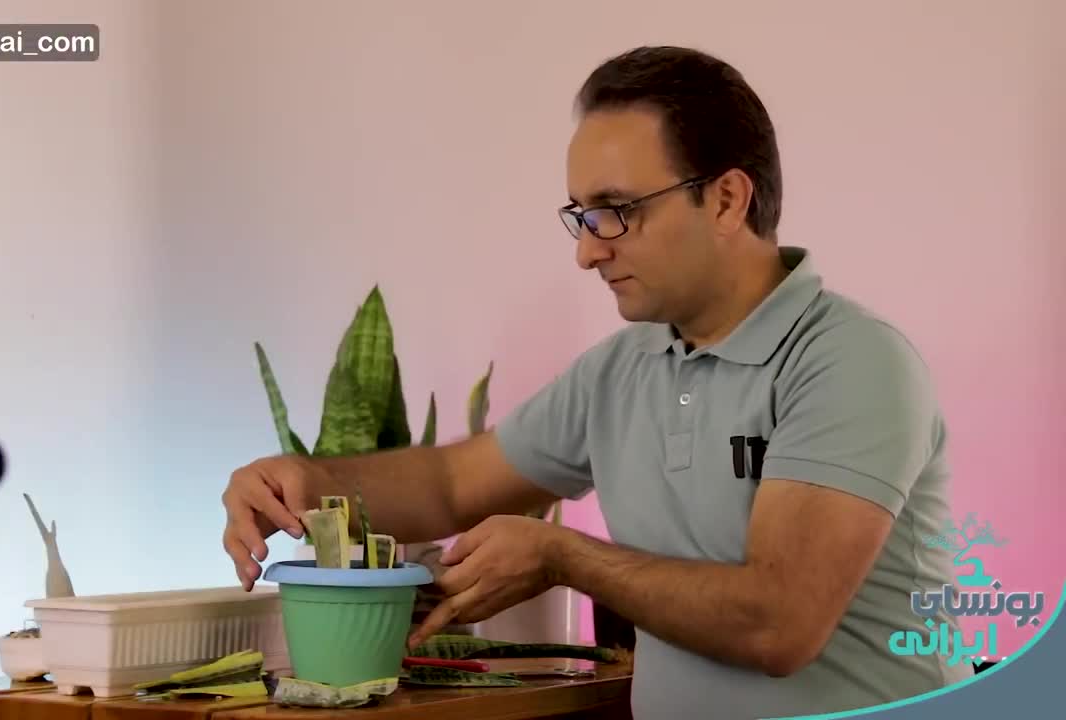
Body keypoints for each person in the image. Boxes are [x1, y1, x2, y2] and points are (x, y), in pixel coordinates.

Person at [221, 45, 971, 719]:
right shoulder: (621, 369)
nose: (587, 252)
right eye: (581, 216)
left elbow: (777, 624)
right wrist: (310, 481)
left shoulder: (850, 361)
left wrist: (565, 558)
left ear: (726, 200)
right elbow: (451, 483)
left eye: (616, 212)